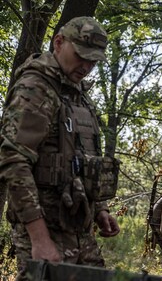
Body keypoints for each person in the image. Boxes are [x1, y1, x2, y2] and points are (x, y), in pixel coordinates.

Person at [0, 16, 120, 279]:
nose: (87, 66)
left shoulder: (77, 95)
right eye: (81, 56)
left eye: (93, 61)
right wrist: (39, 237)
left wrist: (100, 209)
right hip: (47, 229)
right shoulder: (36, 87)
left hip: (79, 229)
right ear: (58, 43)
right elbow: (13, 159)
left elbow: (85, 160)